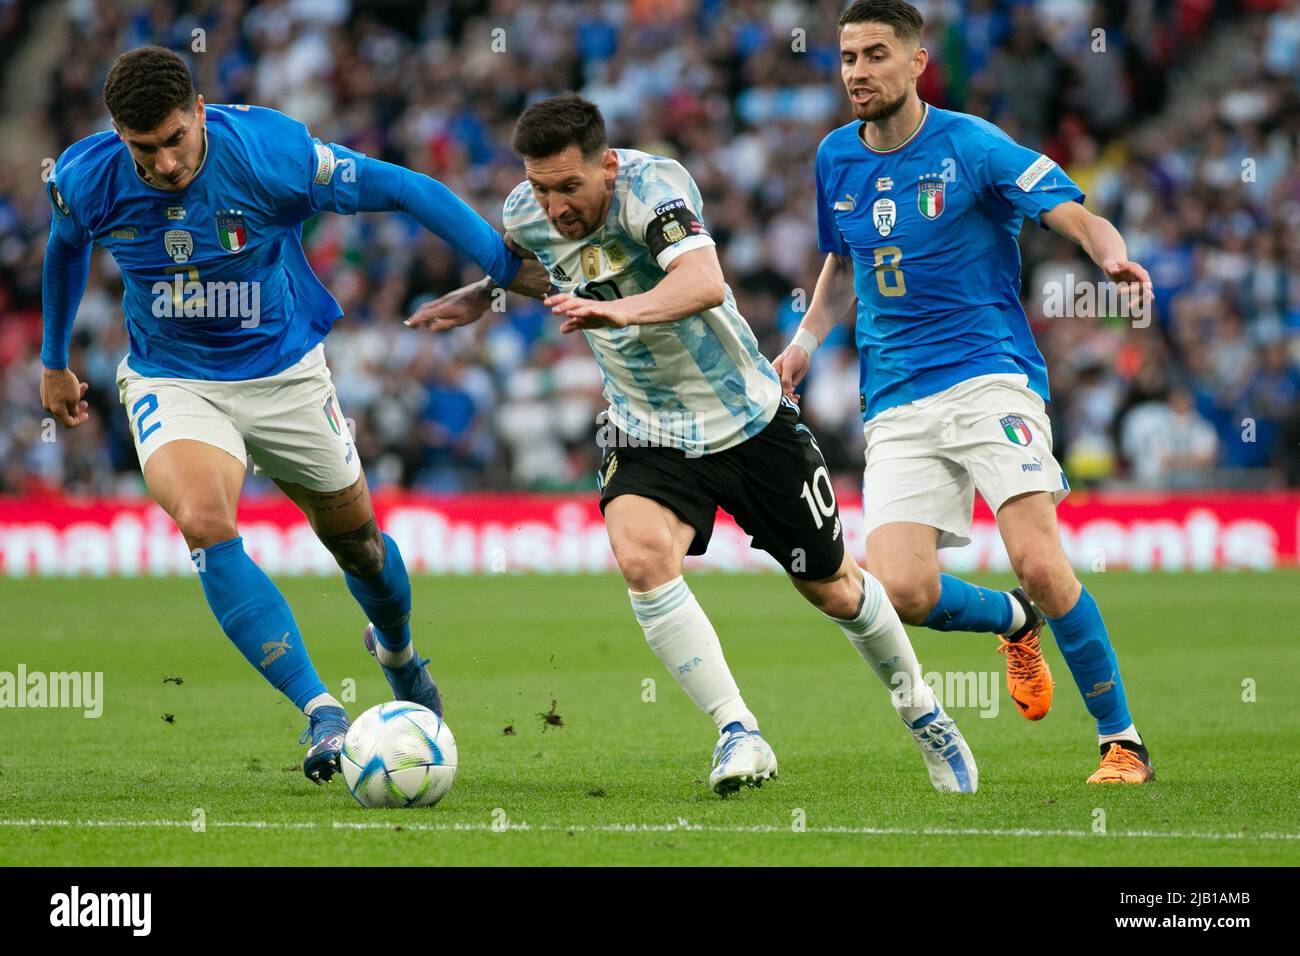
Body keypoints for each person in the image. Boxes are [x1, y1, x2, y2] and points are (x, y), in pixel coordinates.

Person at [410, 93, 978, 795]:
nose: (554, 205)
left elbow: (703, 282)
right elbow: (550, 269)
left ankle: (922, 710)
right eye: (539, 187)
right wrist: (485, 289)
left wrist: (617, 312)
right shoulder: (527, 213)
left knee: (834, 589)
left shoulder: (655, 185)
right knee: (642, 557)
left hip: (747, 420)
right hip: (646, 428)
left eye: (569, 187)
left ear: (607, 165)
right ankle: (739, 731)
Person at [38, 46, 549, 783]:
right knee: (206, 524)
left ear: (200, 114)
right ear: (119, 134)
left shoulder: (272, 153)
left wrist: (501, 268)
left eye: (176, 139)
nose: (167, 163)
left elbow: (402, 187)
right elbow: (64, 247)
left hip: (285, 375)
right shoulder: (86, 178)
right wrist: (54, 361)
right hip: (173, 379)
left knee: (360, 548)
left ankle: (398, 651)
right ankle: (321, 710)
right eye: (143, 148)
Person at [774, 0, 1156, 783]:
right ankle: (1013, 620)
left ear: (917, 62)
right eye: (847, 57)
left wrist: (1112, 259)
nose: (857, 72)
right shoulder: (835, 157)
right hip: (895, 396)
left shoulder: (972, 145)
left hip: (990, 379)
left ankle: (1121, 742)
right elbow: (842, 262)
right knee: (902, 589)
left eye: (876, 55)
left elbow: (1074, 213)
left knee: (1042, 562)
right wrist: (805, 342)